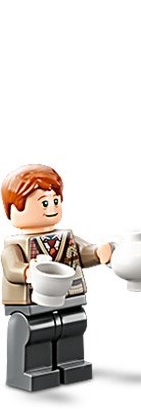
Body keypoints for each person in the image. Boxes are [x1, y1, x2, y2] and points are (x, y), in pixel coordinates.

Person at [3, 164, 112, 392]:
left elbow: (83, 253)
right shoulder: (15, 245)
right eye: (44, 203)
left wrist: (97, 253)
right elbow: (11, 268)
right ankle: (32, 370)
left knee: (73, 324)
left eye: (56, 201)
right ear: (14, 208)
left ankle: (71, 363)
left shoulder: (66, 237)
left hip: (69, 296)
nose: (52, 207)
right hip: (33, 301)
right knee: (35, 330)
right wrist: (27, 271)